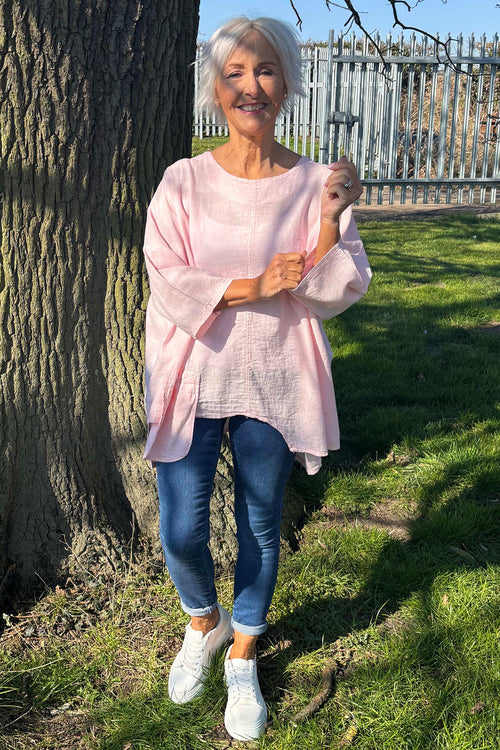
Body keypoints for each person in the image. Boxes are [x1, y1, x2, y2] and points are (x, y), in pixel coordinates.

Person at [142, 16, 371, 741]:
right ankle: (202, 622)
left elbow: (337, 287)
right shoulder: (183, 181)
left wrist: (328, 221)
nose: (251, 86)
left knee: (261, 524)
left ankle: (242, 651)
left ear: (287, 84)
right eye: (235, 72)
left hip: (276, 376)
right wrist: (251, 286)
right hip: (192, 376)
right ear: (215, 89)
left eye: (266, 69)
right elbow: (166, 275)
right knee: (181, 530)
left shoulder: (313, 183)